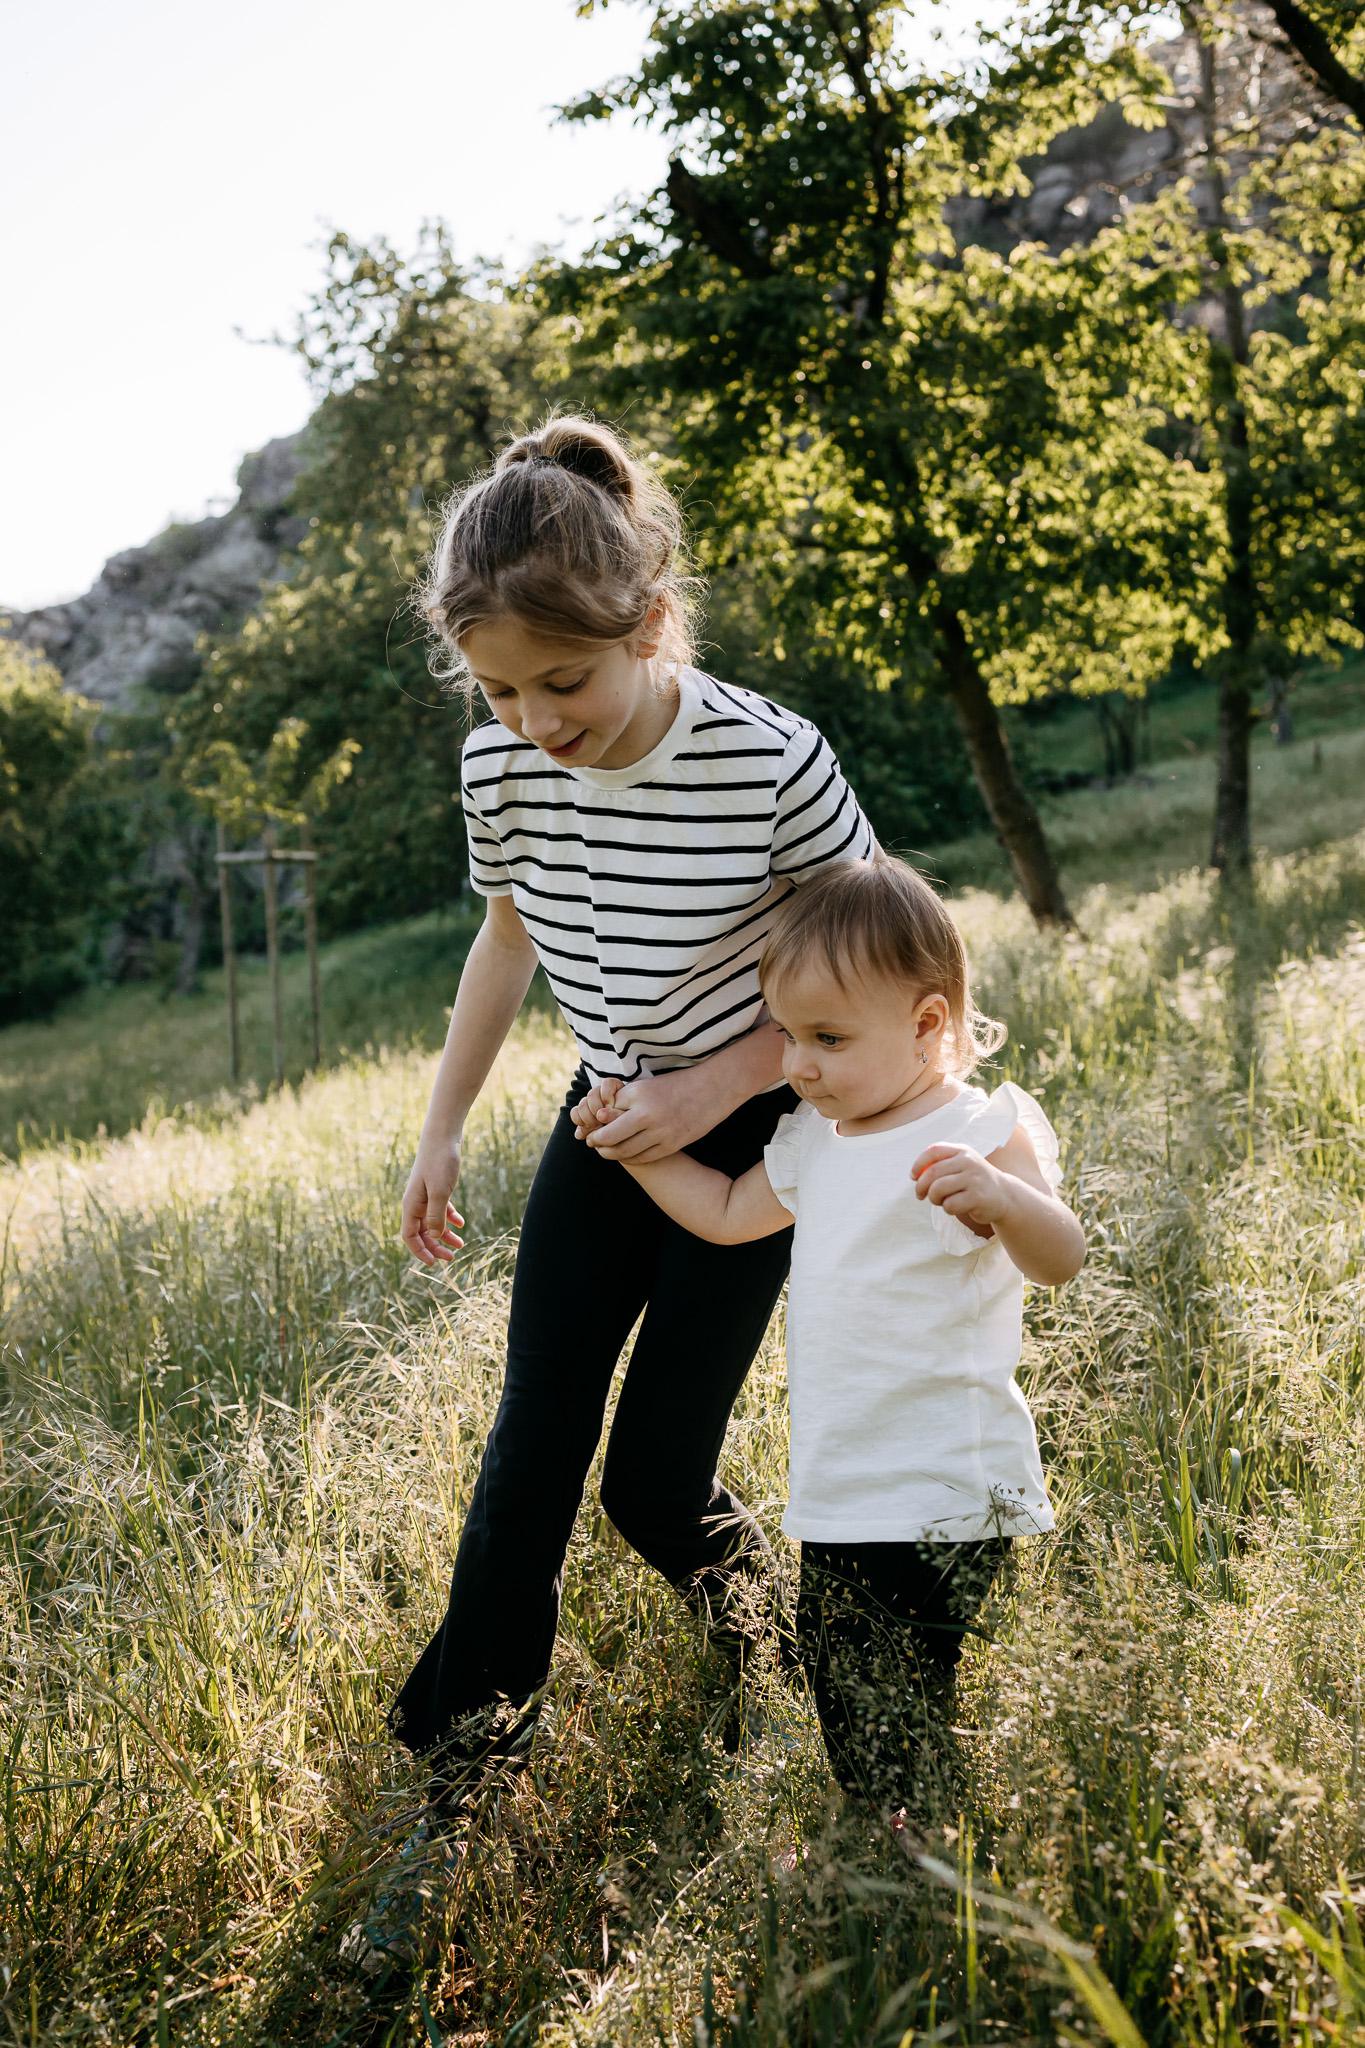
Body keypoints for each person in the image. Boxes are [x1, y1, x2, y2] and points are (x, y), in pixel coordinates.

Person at [389, 412, 876, 1816]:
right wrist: (442, 1127)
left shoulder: (770, 759)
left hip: (762, 1128)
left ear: (649, 622)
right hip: (606, 1122)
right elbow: (505, 939)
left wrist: (714, 1085)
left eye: (564, 681)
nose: (538, 724)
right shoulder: (502, 768)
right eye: (497, 692)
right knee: (532, 1433)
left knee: (655, 1487)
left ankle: (784, 1657)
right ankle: (467, 1764)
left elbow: (880, 959)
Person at [580, 852, 1086, 1814]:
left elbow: (1059, 1257)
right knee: (853, 1701)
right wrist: (631, 1147)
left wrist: (1006, 1201)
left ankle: (926, 1866)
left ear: (926, 1024)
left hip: (946, 1481)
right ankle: (910, 1852)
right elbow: (728, 1211)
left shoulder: (980, 1133)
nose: (797, 1064)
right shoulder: (816, 1138)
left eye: (826, 1037)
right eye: (787, 1035)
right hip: (843, 1487)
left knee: (894, 1704)